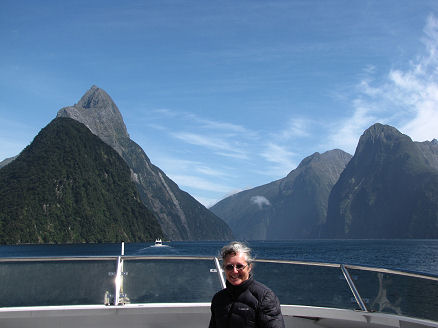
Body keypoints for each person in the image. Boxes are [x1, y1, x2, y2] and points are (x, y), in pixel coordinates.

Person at [209, 241, 285, 328]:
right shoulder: (219, 299)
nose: (234, 271)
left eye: (239, 266)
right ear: (224, 269)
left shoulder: (264, 297)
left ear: (249, 267)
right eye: (229, 267)